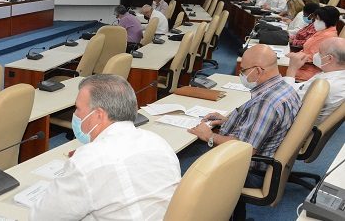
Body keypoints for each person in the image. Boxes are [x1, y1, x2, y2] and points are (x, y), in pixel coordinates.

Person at [30, 74, 181, 220]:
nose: (75, 115)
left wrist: (84, 159)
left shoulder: (88, 161)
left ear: (98, 115)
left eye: (77, 108)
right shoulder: (159, 143)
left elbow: (41, 217)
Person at [187, 44, 301, 188]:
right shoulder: (285, 88)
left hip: (249, 171)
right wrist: (227, 121)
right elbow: (264, 126)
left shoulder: (266, 102)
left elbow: (245, 149)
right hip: (262, 159)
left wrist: (209, 136)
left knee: (183, 161)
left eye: (243, 70)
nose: (241, 74)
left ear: (258, 71)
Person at [284, 37, 345, 125]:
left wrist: (292, 69)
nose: (315, 55)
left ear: (329, 59)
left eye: (320, 52)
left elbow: (284, 101)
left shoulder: (324, 86)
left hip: (288, 121)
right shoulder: (333, 74)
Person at [286, 6, 340, 81]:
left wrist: (295, 56)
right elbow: (307, 49)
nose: (315, 21)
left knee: (278, 71)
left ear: (326, 20)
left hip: (310, 70)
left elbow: (314, 59)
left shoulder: (328, 37)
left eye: (318, 19)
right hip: (302, 64)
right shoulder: (322, 31)